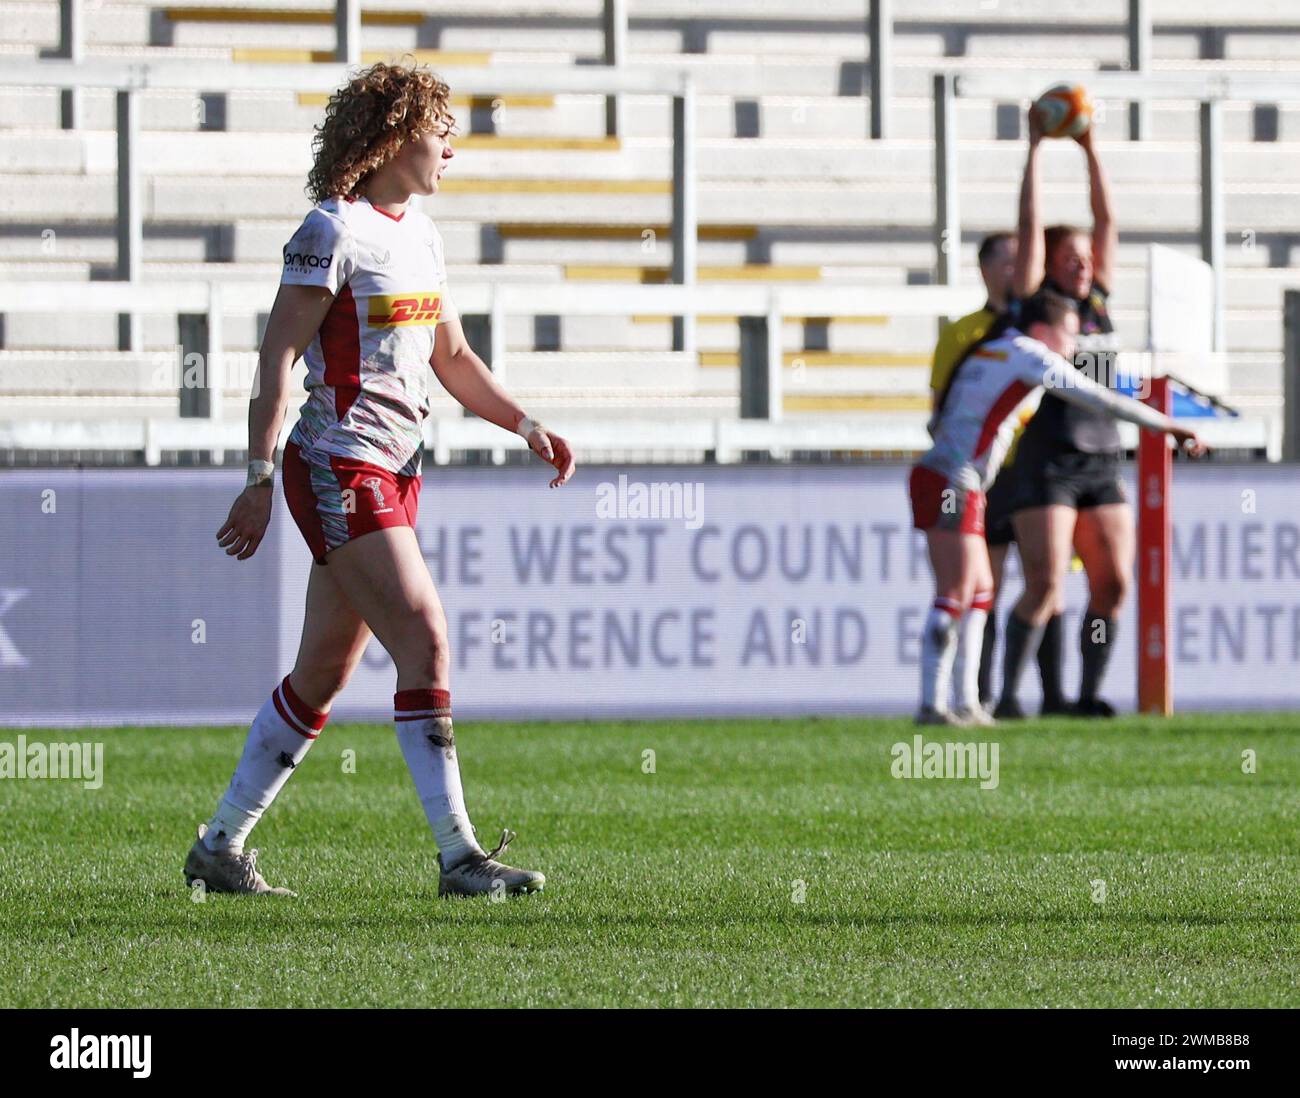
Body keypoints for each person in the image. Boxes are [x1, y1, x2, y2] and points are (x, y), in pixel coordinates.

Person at [184, 62, 575, 899]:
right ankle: (460, 857)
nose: (450, 152)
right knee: (425, 634)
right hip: (339, 463)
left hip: (396, 468)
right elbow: (278, 356)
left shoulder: (421, 234)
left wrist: (526, 425)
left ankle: (219, 848)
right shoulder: (332, 230)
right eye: (440, 133)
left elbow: (453, 357)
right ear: (396, 137)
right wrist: (258, 472)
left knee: (322, 674)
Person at [910, 290, 1204, 726]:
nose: (1074, 346)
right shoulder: (1030, 356)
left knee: (981, 589)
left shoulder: (991, 349)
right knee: (957, 591)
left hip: (947, 476)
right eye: (1069, 334)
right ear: (1042, 330)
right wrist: (1169, 426)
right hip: (952, 481)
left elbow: (939, 421)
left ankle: (966, 702)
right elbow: (1099, 398)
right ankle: (932, 704)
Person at [997, 106, 1126, 719]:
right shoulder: (1034, 303)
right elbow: (1029, 222)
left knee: (1112, 585)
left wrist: (1090, 147)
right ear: (1049, 261)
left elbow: (1108, 220)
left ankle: (1085, 694)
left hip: (1103, 457)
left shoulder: (1097, 302)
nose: (1083, 263)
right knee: (1046, 586)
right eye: (1071, 256)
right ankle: (1009, 697)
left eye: (1086, 256)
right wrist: (1035, 148)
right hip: (1048, 460)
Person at [927, 232, 1059, 718]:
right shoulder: (964, 334)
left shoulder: (1044, 332)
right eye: (1008, 261)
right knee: (980, 584)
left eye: (1023, 261)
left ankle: (1045, 696)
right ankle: (972, 694)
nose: (1017, 271)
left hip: (1033, 471)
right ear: (984, 270)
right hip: (980, 475)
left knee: (1045, 580)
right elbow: (941, 408)